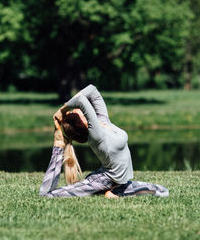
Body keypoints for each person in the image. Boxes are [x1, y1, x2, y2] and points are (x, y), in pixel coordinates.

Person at [39, 84, 169, 198]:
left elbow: (92, 90)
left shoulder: (102, 121)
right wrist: (62, 111)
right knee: (48, 194)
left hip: (117, 181)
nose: (74, 109)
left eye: (73, 110)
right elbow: (80, 100)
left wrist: (64, 108)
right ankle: (105, 190)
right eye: (75, 112)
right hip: (102, 181)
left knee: (161, 191)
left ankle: (110, 191)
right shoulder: (96, 135)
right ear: (82, 123)